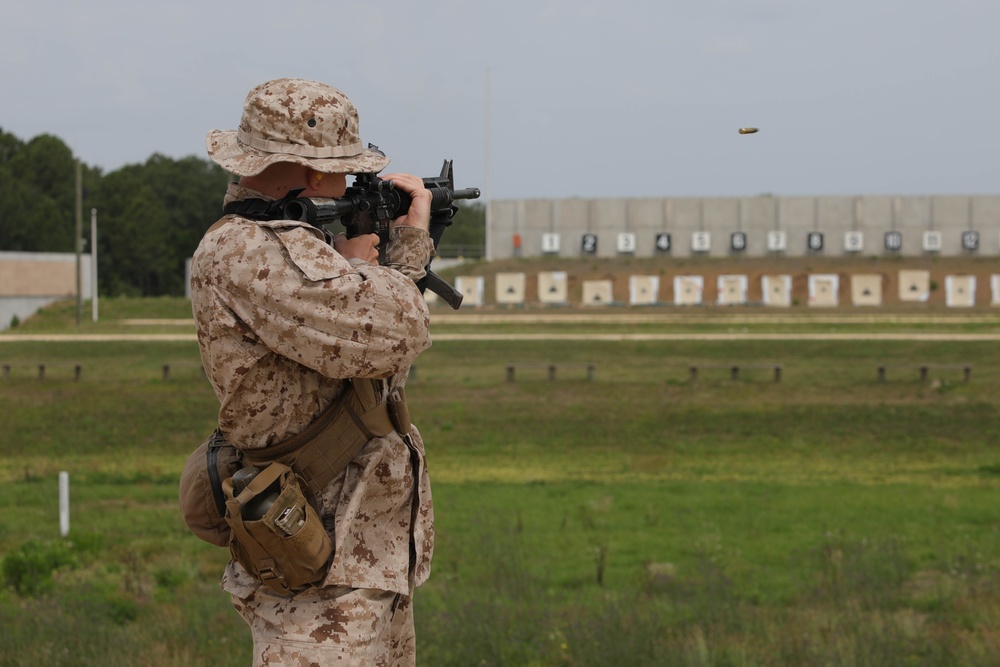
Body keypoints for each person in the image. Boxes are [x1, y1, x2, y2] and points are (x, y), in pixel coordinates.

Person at [190, 78, 435, 666]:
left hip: (360, 556)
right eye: (344, 172)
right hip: (315, 569)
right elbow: (399, 331)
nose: (349, 184)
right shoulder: (250, 250)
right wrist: (407, 246)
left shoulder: (300, 249)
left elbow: (374, 353)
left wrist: (358, 260)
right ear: (313, 174)